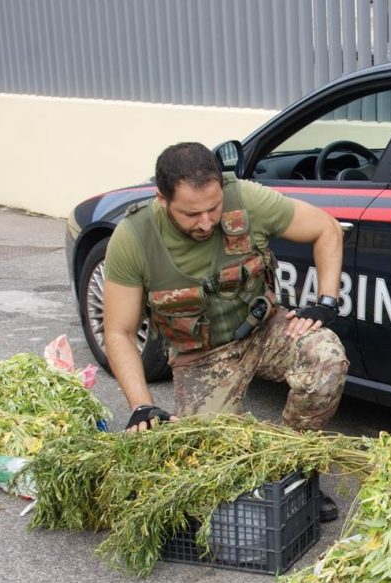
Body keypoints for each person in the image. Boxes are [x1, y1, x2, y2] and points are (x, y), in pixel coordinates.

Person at [102, 141, 349, 521]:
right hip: (202, 355)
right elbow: (118, 332)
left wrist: (326, 301)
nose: (206, 222)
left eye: (213, 208)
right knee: (207, 474)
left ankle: (293, 470)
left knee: (327, 358)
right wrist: (140, 404)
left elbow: (326, 228)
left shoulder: (246, 199)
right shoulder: (134, 238)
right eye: (191, 214)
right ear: (162, 199)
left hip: (264, 331)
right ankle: (253, 471)